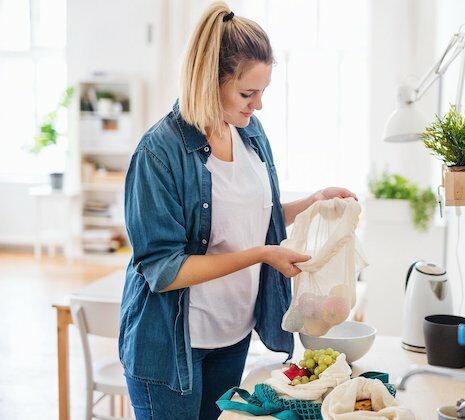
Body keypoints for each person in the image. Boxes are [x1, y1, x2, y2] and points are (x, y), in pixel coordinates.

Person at [119, 2, 357, 419]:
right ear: (210, 82)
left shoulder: (249, 132)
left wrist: (312, 203)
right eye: (248, 93)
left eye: (263, 91)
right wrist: (264, 254)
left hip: (232, 335)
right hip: (171, 348)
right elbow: (163, 269)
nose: (258, 105)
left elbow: (252, 217)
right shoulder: (158, 153)